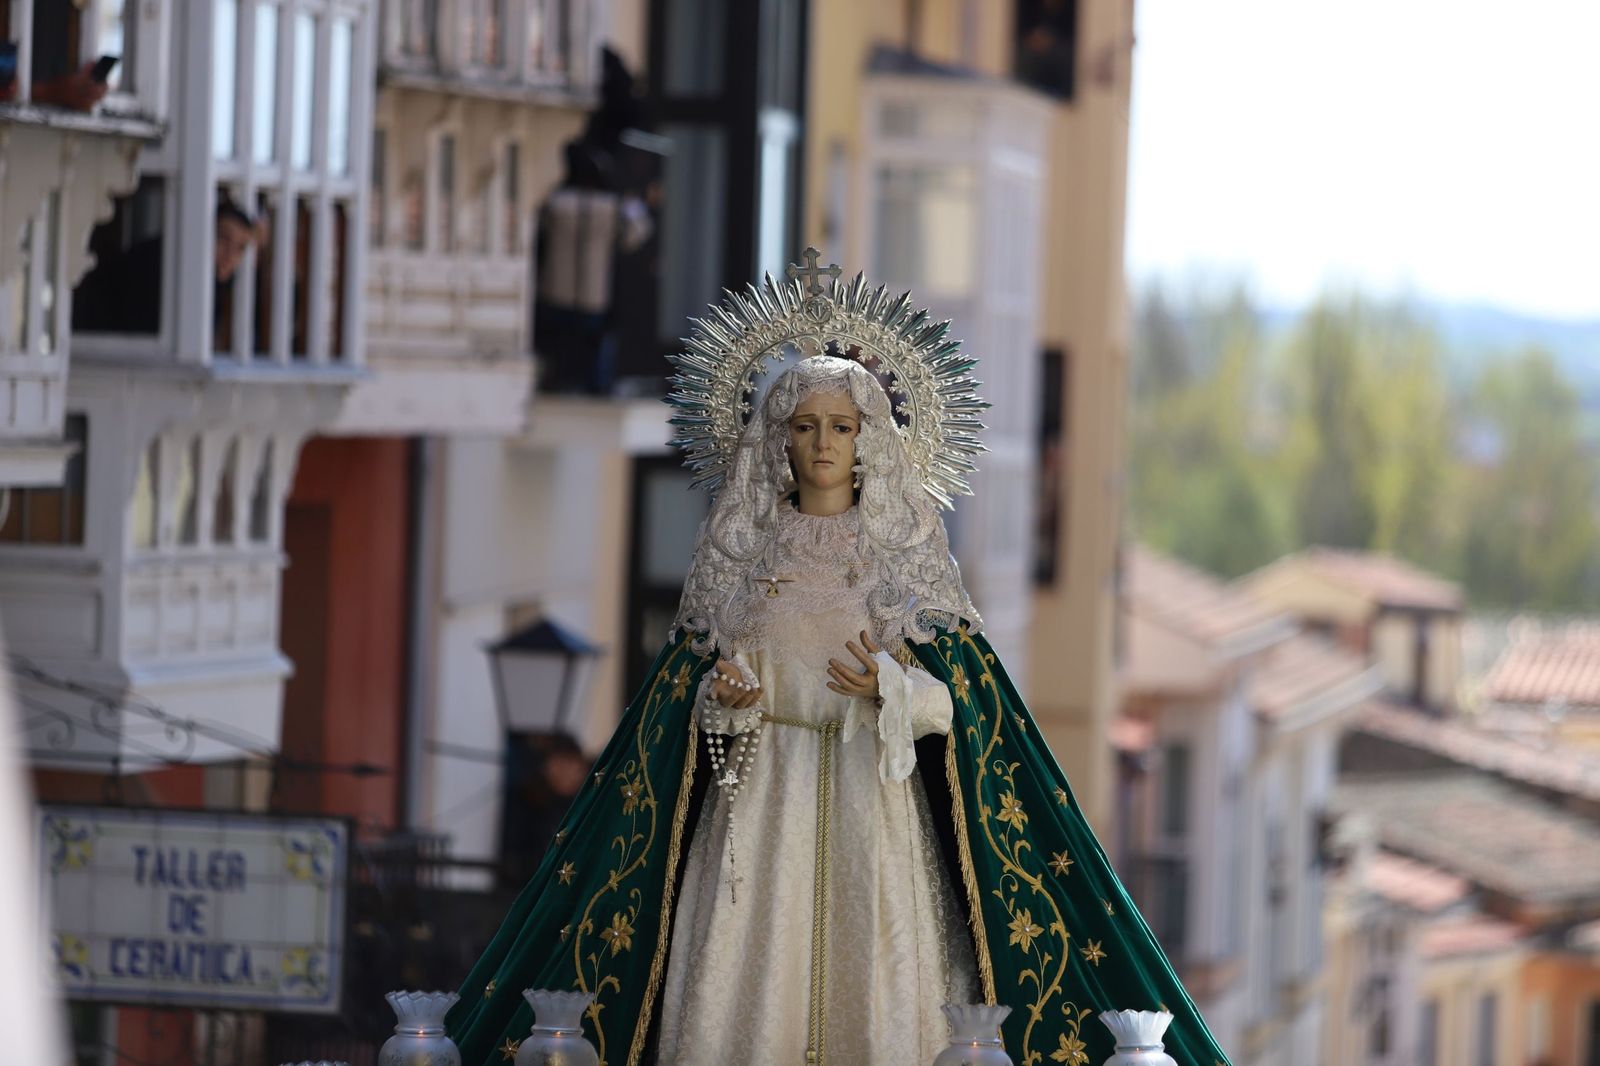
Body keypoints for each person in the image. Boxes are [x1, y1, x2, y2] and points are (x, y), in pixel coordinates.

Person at [448, 258, 1232, 1066]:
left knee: (875, 988)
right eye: (804, 426)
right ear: (778, 438)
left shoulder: (902, 560)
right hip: (759, 816)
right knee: (749, 993)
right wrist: (726, 702)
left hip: (873, 809)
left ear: (868, 440)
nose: (822, 443)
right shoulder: (739, 558)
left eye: (841, 426)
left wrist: (893, 687)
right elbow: (688, 711)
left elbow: (961, 707)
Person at [73, 198, 256, 339]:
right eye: (224, 238)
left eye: (240, 248)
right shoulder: (161, 264)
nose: (231, 254)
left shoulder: (215, 287)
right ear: (203, 234)